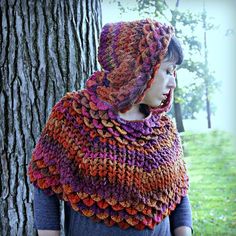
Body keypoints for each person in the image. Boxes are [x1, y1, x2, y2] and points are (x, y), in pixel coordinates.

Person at [27, 19, 193, 236]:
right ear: (139, 68)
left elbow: (179, 195)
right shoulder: (76, 117)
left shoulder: (165, 130)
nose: (173, 83)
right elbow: (44, 179)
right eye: (168, 71)